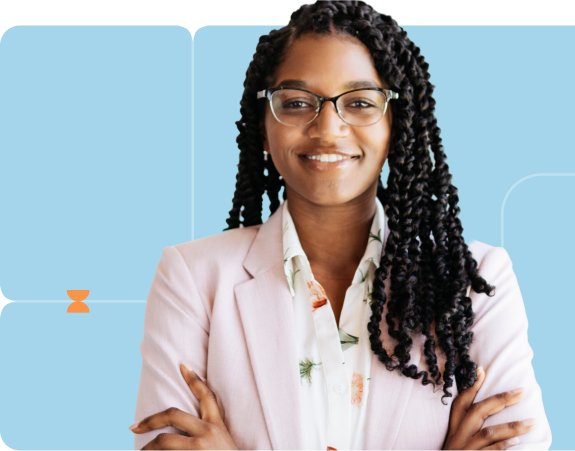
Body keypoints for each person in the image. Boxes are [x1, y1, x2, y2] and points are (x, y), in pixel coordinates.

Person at [131, 1, 552, 449]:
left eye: (359, 103)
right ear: (263, 123)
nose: (328, 128)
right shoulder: (192, 278)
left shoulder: (474, 281)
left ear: (398, 123)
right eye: (295, 103)